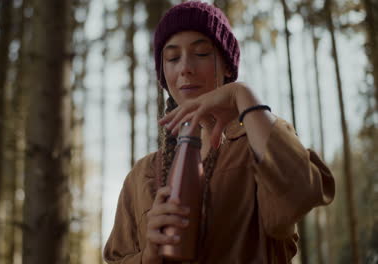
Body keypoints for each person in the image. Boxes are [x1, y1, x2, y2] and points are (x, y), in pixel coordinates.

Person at [103, 1, 335, 263]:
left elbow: (300, 193)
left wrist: (242, 93)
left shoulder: (259, 143)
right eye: (172, 58)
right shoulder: (141, 175)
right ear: (163, 73)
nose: (185, 68)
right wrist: (150, 255)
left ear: (227, 67)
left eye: (202, 53)